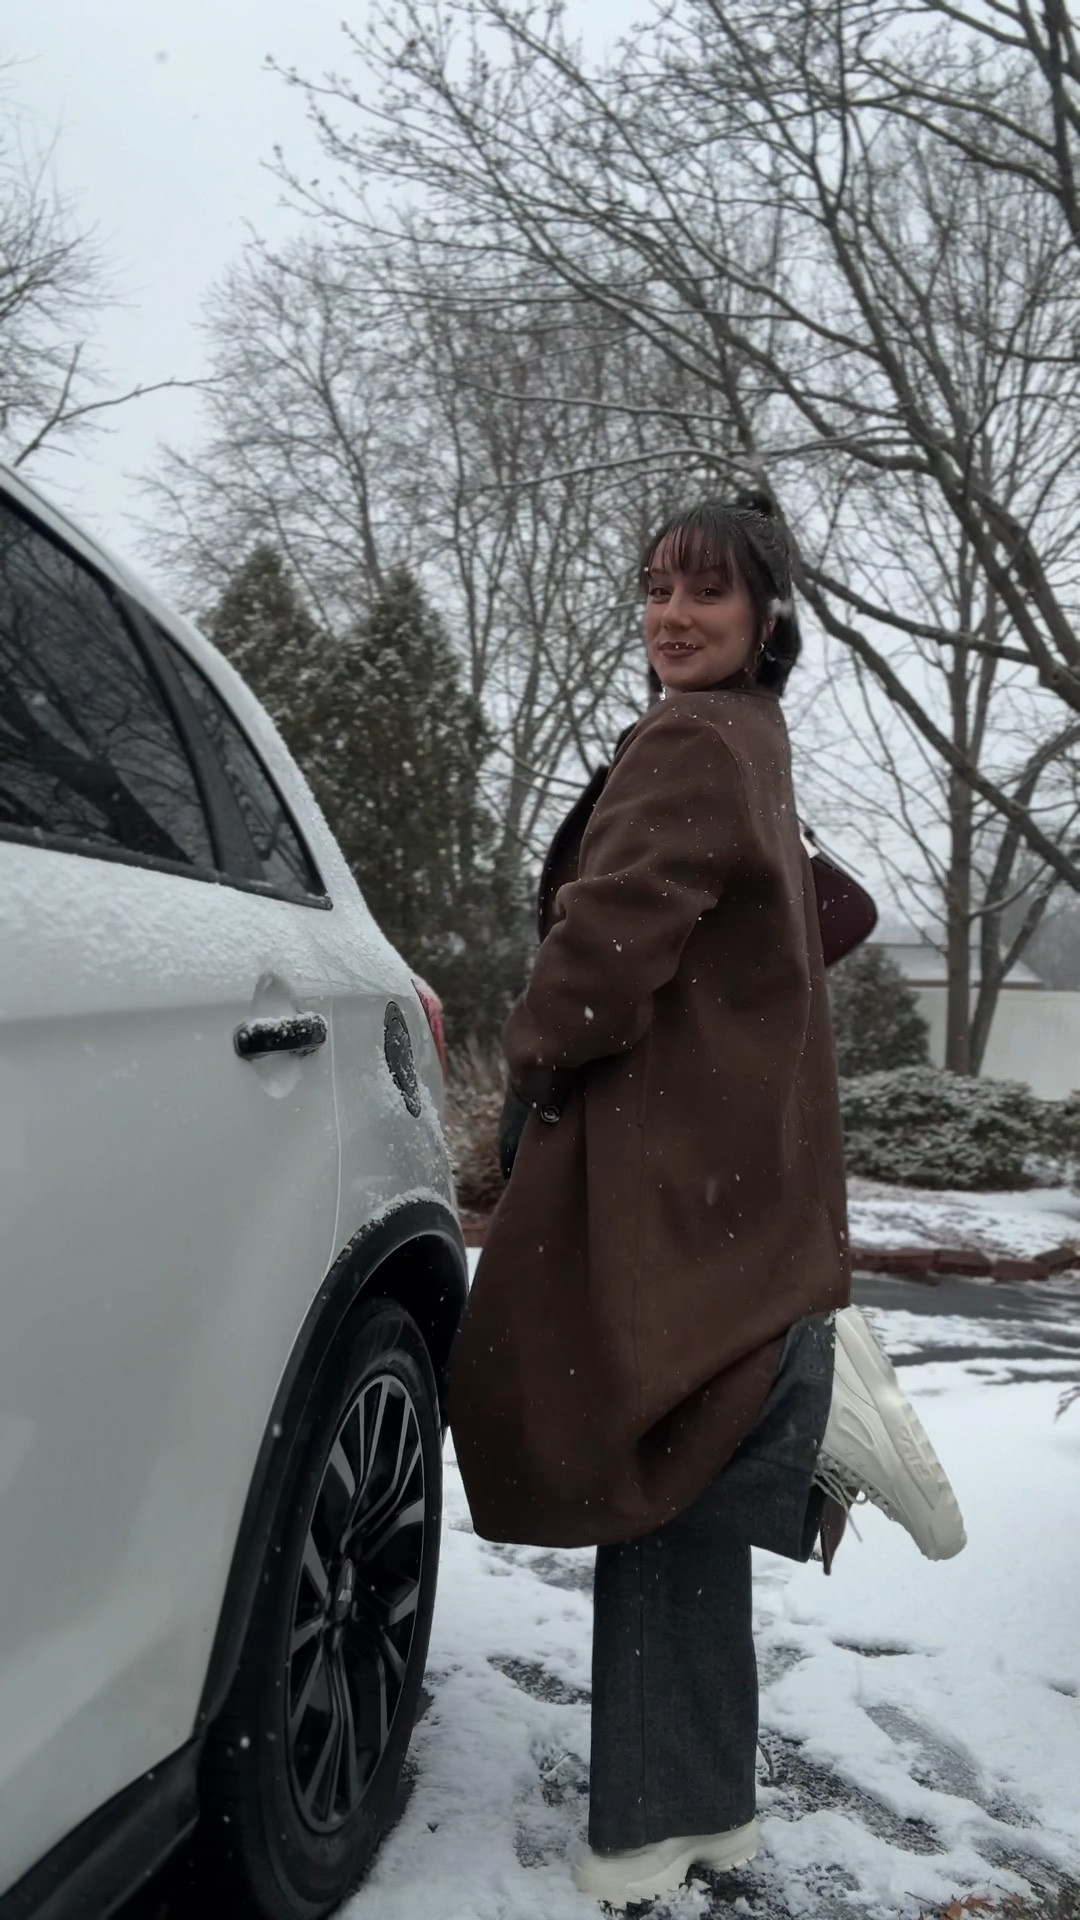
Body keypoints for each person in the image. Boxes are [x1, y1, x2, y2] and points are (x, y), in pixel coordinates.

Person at [448, 493, 966, 1910]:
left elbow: (608, 942)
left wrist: (538, 1052)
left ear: (767, 618)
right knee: (675, 1470)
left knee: (645, 1460)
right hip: (719, 1168)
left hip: (654, 1164)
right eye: (658, 588)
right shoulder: (753, 738)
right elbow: (793, 915)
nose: (675, 615)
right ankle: (694, 1808)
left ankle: (655, 1827)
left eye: (710, 594)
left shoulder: (692, 737)